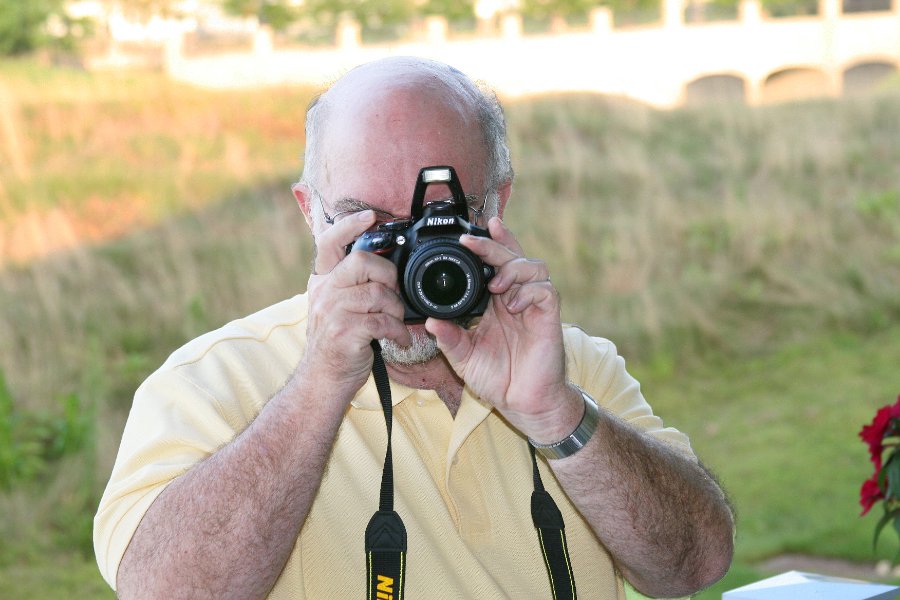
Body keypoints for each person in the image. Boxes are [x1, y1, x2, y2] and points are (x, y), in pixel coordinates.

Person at [94, 56, 734, 599]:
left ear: (497, 206)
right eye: (367, 220)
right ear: (310, 213)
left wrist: (558, 416)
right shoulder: (213, 381)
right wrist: (321, 383)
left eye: (439, 220)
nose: (403, 259)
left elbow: (694, 564)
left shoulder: (568, 364)